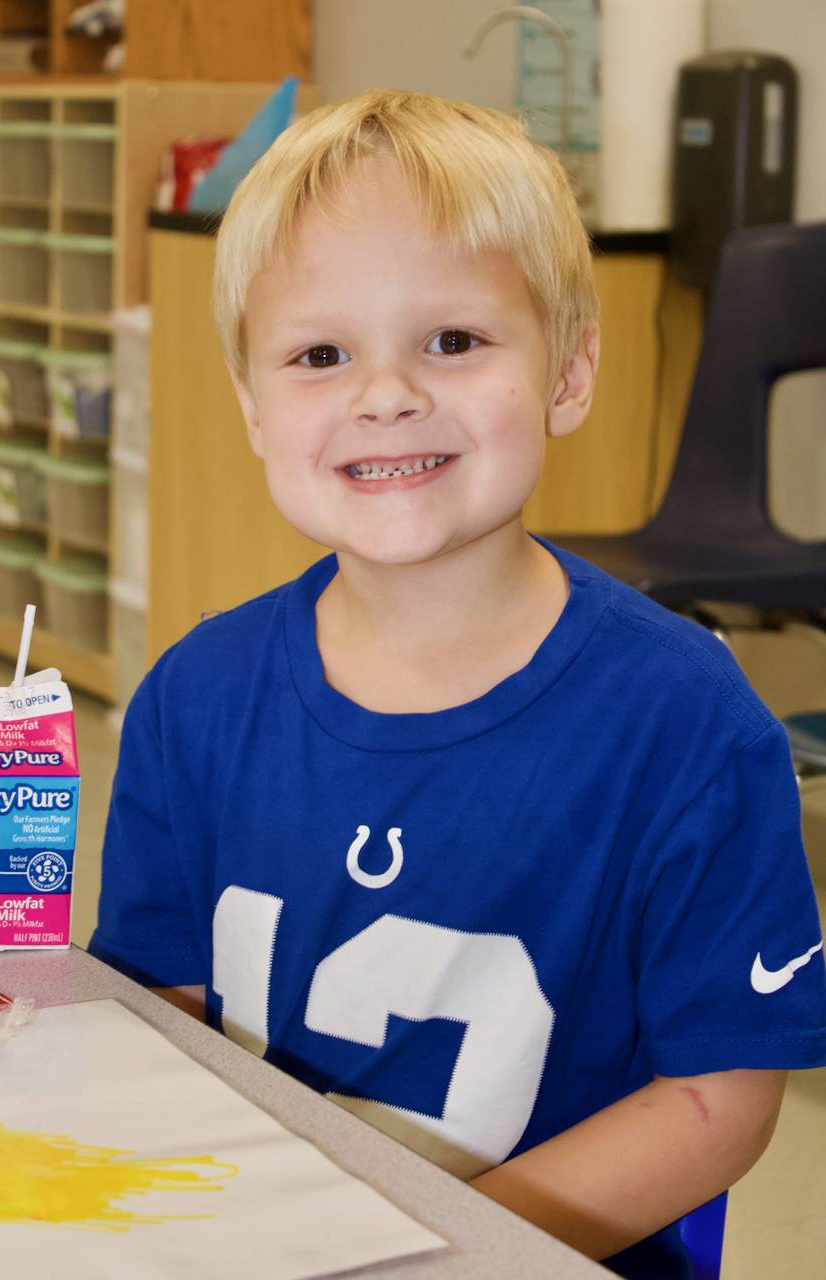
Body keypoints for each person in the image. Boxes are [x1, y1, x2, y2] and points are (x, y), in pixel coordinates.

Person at [90, 90, 826, 1276]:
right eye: (320, 354)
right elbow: (159, 1025)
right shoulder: (190, 701)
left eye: (452, 339)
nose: (384, 394)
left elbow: (717, 1096)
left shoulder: (685, 721)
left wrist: (434, 1249)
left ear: (568, 372)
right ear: (251, 406)